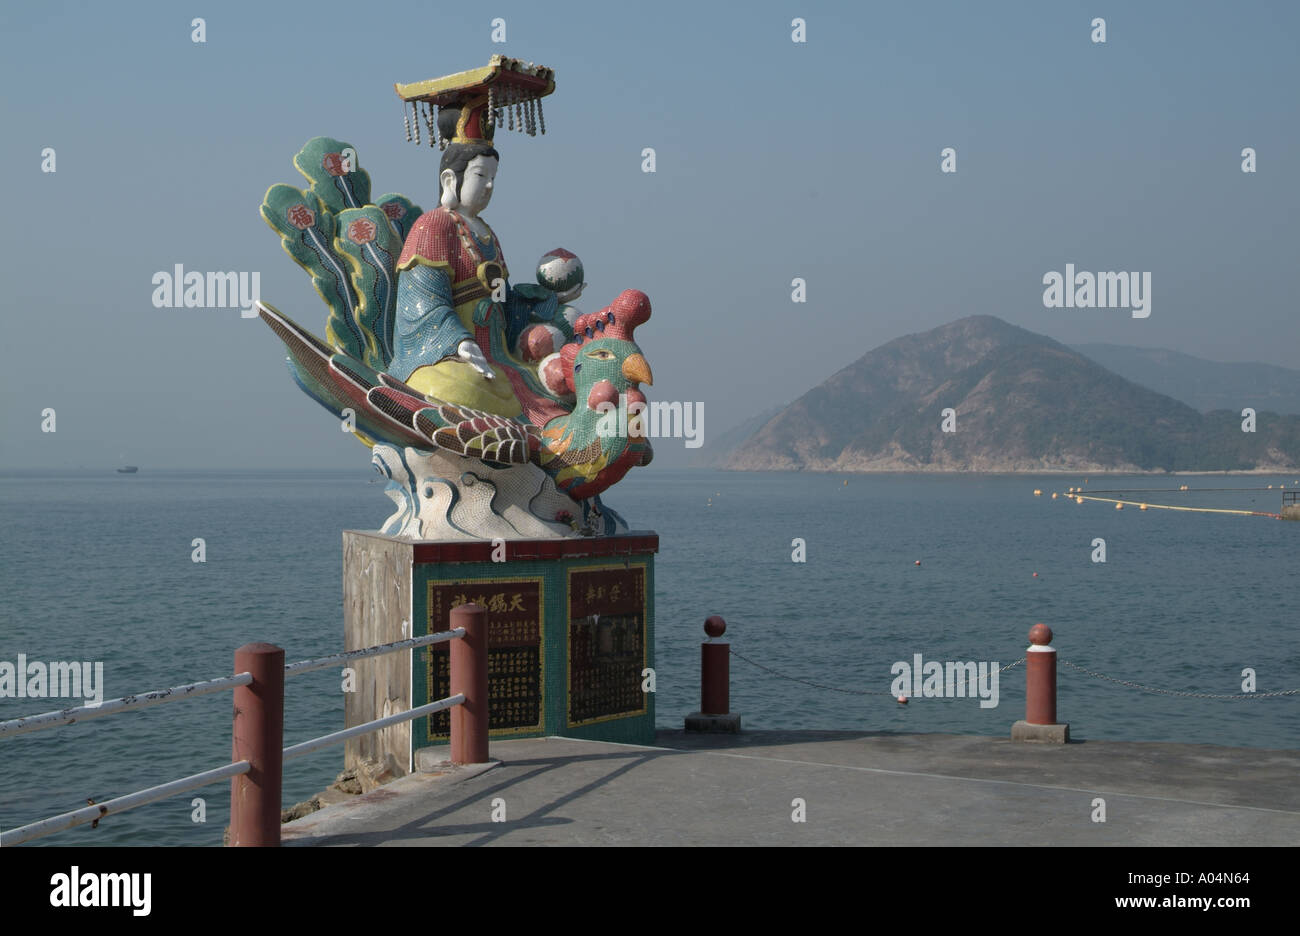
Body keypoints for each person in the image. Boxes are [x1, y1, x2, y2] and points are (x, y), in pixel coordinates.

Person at [388, 99, 571, 420]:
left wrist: (546, 300)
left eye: (493, 177)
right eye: (480, 175)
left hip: (496, 352)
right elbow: (421, 301)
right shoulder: (434, 225)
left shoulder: (486, 233)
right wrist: (456, 341)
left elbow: (502, 297)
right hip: (443, 354)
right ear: (449, 181)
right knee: (462, 389)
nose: (489, 185)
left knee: (549, 386)